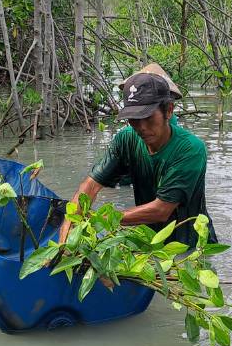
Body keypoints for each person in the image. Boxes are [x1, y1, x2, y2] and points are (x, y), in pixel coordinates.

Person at [59, 65, 217, 248]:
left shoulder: (191, 150)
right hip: (147, 241)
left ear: (169, 111)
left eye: (149, 118)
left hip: (190, 248)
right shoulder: (127, 138)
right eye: (134, 119)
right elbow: (92, 185)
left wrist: (99, 219)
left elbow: (161, 210)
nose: (141, 127)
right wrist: (71, 220)